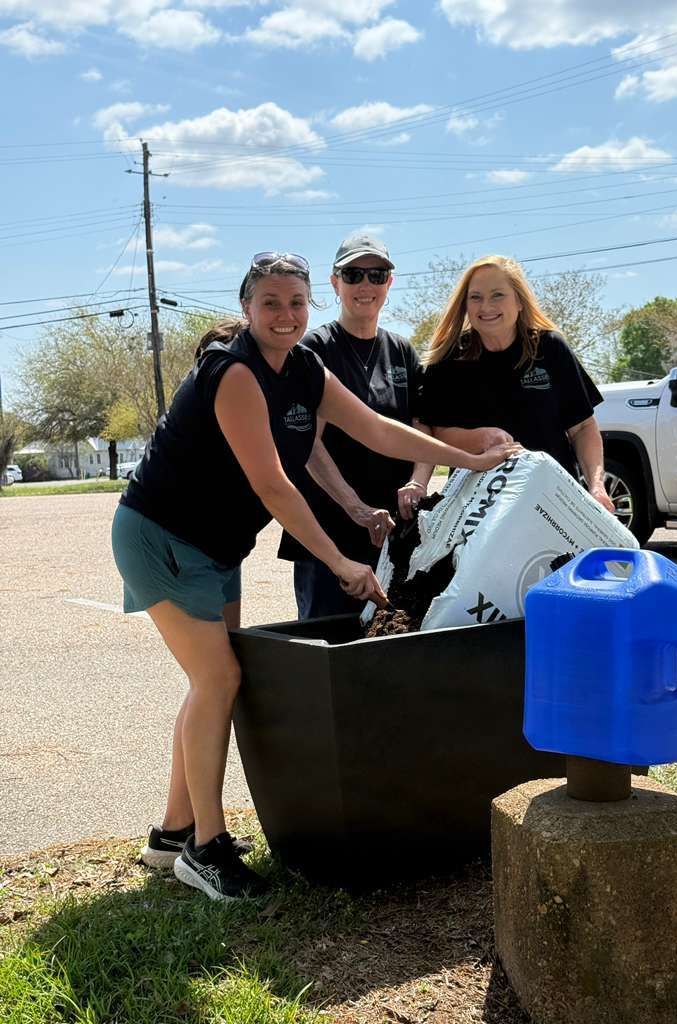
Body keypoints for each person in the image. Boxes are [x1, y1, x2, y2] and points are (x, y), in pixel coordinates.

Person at [111, 252, 517, 901]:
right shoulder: (235, 372)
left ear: (309, 305)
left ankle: (172, 833)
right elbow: (274, 485)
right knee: (219, 679)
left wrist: (464, 454)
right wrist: (339, 559)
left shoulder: (303, 368)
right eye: (270, 302)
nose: (285, 314)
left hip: (215, 547)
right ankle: (205, 849)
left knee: (211, 682)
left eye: (296, 302)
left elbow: (380, 431)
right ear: (247, 308)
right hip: (161, 536)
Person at [278, 232, 433, 619]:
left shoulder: (401, 350)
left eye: (377, 275)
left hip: (394, 533)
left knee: (390, 641)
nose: (366, 285)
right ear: (335, 283)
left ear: (389, 283)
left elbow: (423, 427)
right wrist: (356, 508)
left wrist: (419, 481)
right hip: (330, 532)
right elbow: (308, 445)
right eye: (353, 274)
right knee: (328, 647)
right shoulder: (313, 350)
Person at [419, 255, 615, 512]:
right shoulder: (448, 358)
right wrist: (481, 438)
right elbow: (436, 433)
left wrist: (596, 486)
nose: (486, 306)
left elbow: (583, 428)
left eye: (497, 295)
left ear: (520, 301)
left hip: (552, 500)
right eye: (475, 297)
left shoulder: (550, 348)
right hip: (477, 506)